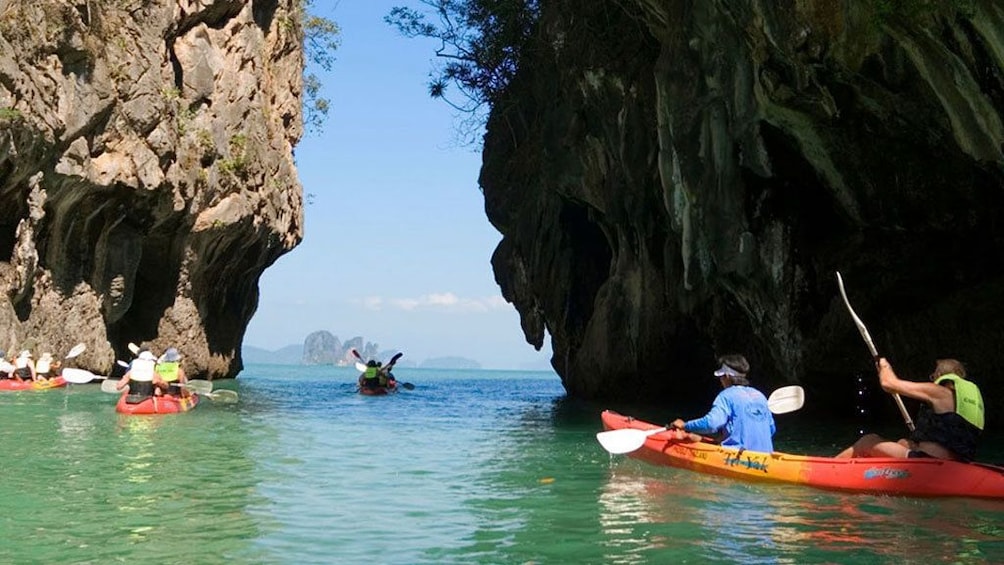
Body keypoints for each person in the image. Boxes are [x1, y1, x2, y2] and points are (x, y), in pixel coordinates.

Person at [835, 358, 984, 461]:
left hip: (931, 463)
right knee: (903, 443)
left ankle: (829, 467)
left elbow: (888, 383)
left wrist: (884, 366)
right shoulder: (971, 399)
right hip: (959, 462)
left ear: (939, 375)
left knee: (868, 440)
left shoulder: (940, 392)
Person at [669, 354, 776, 453]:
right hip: (766, 455)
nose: (720, 380)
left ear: (728, 376)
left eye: (721, 376)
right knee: (699, 438)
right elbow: (771, 429)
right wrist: (716, 440)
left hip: (739, 457)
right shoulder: (760, 396)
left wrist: (685, 425)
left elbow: (711, 424)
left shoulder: (726, 395)